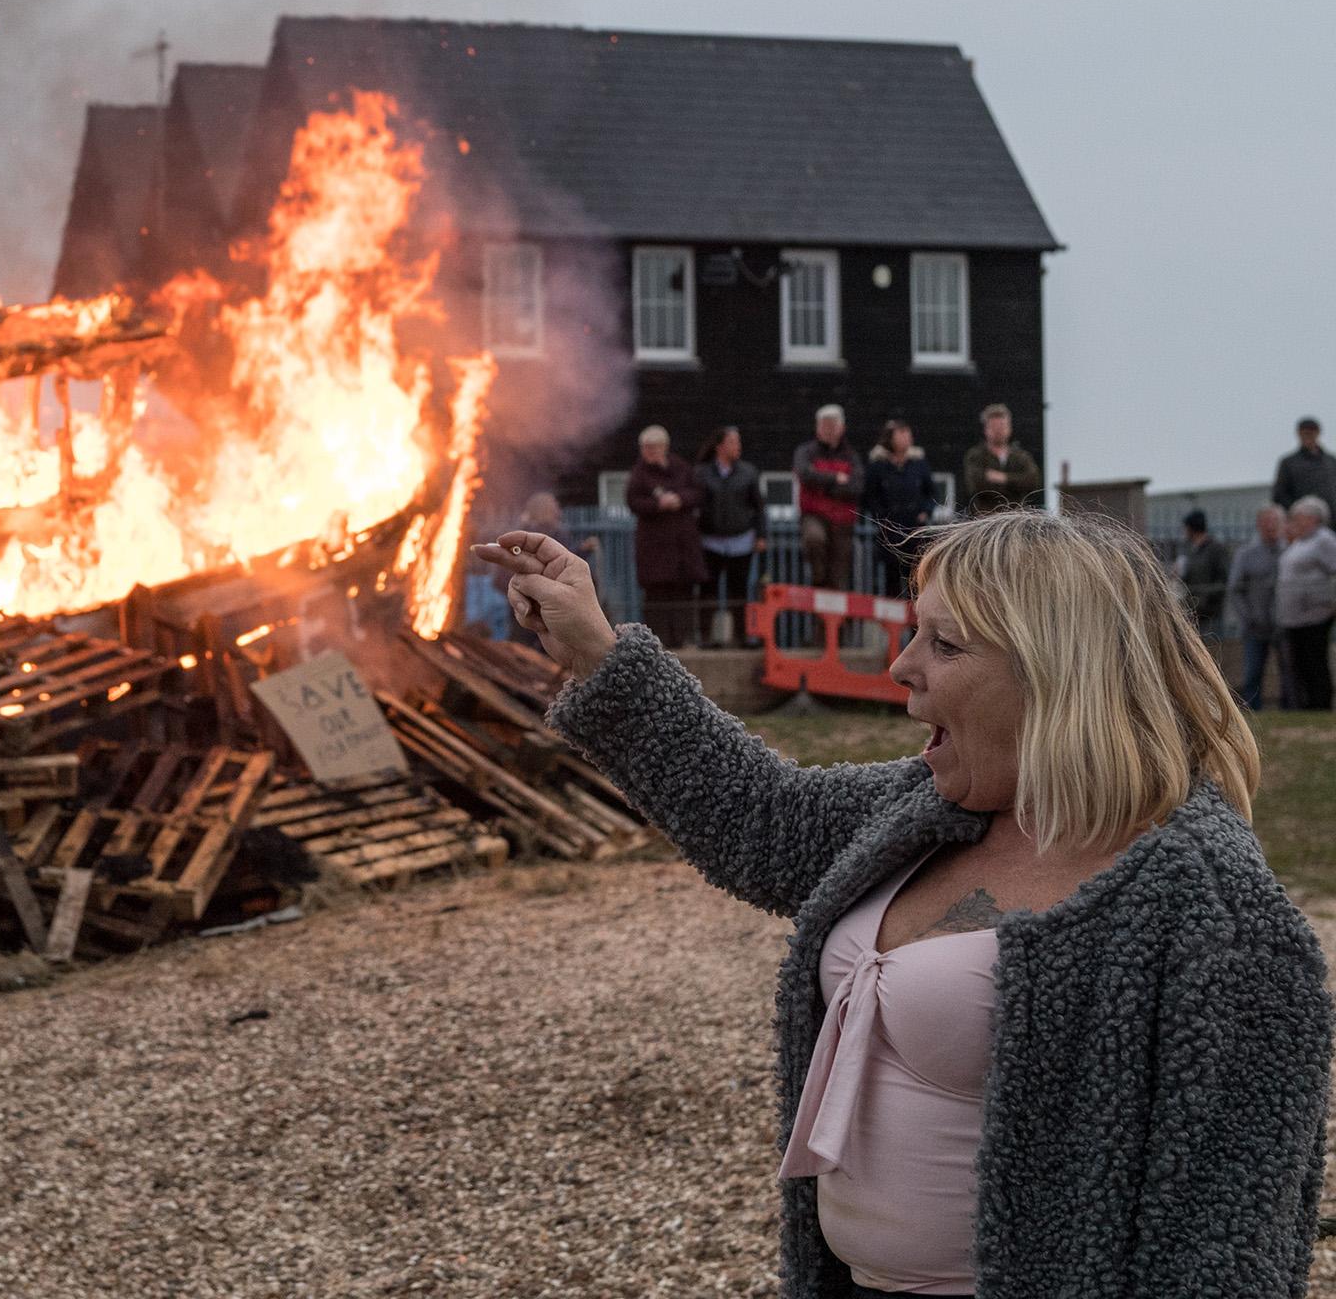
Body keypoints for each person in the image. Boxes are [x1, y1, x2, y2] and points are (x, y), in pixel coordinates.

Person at [474, 513, 1330, 1298]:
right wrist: (597, 647)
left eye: (945, 645)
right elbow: (758, 818)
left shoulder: (1217, 919)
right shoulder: (931, 807)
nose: (901, 666)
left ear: (1061, 673)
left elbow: (1222, 1252)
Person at [625, 426, 705, 650]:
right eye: (645, 448)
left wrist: (679, 499)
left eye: (653, 448)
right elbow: (633, 502)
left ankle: (684, 636)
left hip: (682, 546)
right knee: (657, 595)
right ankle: (658, 640)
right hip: (654, 547)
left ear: (664, 447)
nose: (648, 452)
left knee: (683, 593)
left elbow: (698, 493)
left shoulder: (681, 468)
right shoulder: (639, 474)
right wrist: (657, 505)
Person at [490, 492, 595, 650]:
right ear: (545, 511)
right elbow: (564, 565)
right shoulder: (551, 536)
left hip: (526, 612)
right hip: (541, 612)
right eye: (554, 508)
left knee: (523, 655)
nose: (558, 512)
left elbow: (499, 579)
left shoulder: (519, 535)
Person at [694, 426, 765, 646]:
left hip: (740, 541)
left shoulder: (748, 472)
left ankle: (742, 637)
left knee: (739, 591)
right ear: (720, 446)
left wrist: (761, 535)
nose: (738, 447)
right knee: (708, 591)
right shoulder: (702, 473)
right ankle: (706, 637)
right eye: (733, 442)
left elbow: (759, 508)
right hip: (710, 542)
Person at [860, 419, 937, 601]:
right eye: (901, 434)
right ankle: (892, 627)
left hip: (916, 531)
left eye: (907, 433)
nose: (906, 438)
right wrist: (882, 517)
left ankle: (915, 627)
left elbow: (931, 493)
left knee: (916, 582)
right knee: (891, 583)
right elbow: (869, 497)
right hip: (890, 532)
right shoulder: (878, 466)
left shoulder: (919, 464)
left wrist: (926, 511)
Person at [1227, 504, 1290, 710]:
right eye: (1266, 522)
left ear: (1282, 524)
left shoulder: (1290, 551)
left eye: (1275, 522)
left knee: (1289, 671)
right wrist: (1248, 617)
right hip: (1255, 626)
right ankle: (1253, 711)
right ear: (1258, 525)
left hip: (1284, 624)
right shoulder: (1246, 554)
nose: (1270, 526)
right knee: (1253, 672)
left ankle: (1289, 709)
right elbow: (1235, 589)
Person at [1277, 495, 1336, 711]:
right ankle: (1306, 705)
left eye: (1299, 517)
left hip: (1315, 615)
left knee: (1315, 663)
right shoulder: (1299, 542)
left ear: (1313, 518)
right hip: (1294, 618)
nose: (1295, 522)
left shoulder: (1324, 540)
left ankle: (1320, 705)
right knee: (1301, 665)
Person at [793, 405, 861, 590]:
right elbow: (805, 475)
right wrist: (835, 479)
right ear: (818, 428)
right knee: (814, 539)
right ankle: (818, 578)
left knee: (839, 573)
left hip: (842, 522)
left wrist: (824, 487)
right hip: (814, 514)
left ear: (842, 428)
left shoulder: (851, 456)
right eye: (825, 426)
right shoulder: (806, 452)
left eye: (833, 425)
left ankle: (835, 616)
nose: (829, 430)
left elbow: (856, 486)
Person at [960, 404, 1043, 515]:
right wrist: (1015, 485)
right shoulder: (975, 456)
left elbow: (1033, 481)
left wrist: (1003, 478)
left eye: (1002, 426)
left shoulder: (1021, 457)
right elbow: (975, 486)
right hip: (984, 519)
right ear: (986, 429)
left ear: (1010, 428)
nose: (998, 431)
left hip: (1016, 517)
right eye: (994, 427)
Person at [1173, 508, 1231, 642]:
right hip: (1192, 610)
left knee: (1211, 649)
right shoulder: (1188, 549)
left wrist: (1206, 598)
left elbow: (1223, 579)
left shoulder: (1216, 549)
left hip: (1210, 612)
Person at [1273, 416, 1336, 511]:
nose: (1307, 437)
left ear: (1317, 433)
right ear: (1298, 434)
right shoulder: (1289, 463)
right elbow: (1279, 494)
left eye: (1310, 433)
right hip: (1303, 520)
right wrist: (1298, 511)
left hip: (1331, 517)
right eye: (1304, 434)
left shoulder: (1330, 461)